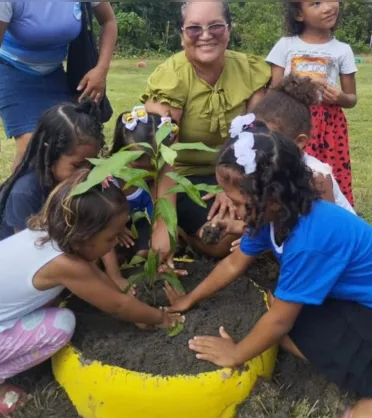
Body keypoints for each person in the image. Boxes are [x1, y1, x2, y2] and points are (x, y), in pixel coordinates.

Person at [164, 125, 372, 418]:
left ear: (272, 198)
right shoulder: (273, 216)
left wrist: (236, 353)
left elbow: (279, 321)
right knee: (282, 314)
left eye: (238, 204)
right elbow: (233, 263)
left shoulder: (308, 240)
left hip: (369, 312)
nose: (233, 212)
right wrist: (190, 297)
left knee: (284, 324)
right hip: (342, 297)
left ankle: (370, 402)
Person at [0, 170, 183, 416]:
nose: (116, 243)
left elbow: (97, 279)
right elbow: (116, 306)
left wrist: (127, 300)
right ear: (84, 236)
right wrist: (161, 318)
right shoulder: (65, 265)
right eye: (111, 238)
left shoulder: (47, 234)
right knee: (63, 323)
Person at [142, 1, 271, 260]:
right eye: (193, 29)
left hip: (237, 174)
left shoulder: (250, 71)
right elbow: (163, 157)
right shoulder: (172, 78)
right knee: (222, 241)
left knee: (276, 218)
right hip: (184, 178)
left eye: (215, 26)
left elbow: (259, 139)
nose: (205, 35)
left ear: (229, 30)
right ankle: (184, 232)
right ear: (181, 36)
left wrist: (230, 187)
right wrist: (163, 225)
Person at [0, 2, 117, 171]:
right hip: (10, 69)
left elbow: (108, 21)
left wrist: (101, 70)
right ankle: (17, 196)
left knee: (74, 142)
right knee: (32, 148)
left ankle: (60, 196)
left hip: (54, 73)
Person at [267, 1, 358, 207]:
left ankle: (332, 214)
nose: (327, 7)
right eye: (316, 3)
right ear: (299, 14)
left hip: (330, 124)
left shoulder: (343, 50)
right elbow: (274, 89)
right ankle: (292, 211)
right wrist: (303, 86)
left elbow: (352, 98)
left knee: (329, 171)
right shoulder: (285, 45)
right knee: (293, 168)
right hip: (292, 119)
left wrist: (339, 97)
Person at [0, 101, 103, 242]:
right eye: (77, 165)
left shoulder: (74, 182)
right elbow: (25, 250)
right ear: (50, 153)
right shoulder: (24, 193)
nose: (86, 173)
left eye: (92, 164)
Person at [248, 74, 354, 213]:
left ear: (300, 141)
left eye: (270, 140)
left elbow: (327, 227)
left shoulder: (317, 176)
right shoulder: (265, 164)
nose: (261, 145)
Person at [101, 107, 180, 289]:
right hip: (103, 229)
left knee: (147, 251)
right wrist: (117, 279)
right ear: (121, 153)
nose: (146, 174)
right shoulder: (107, 181)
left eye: (154, 168)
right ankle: (111, 273)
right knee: (100, 252)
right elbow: (99, 225)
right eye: (138, 166)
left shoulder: (153, 183)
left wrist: (163, 258)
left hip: (132, 230)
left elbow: (159, 221)